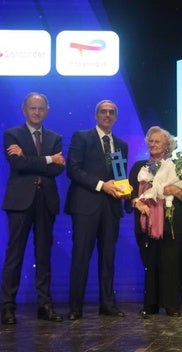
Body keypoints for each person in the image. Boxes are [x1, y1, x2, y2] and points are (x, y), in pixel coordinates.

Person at [1, 92, 66, 325]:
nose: (36, 112)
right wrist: (48, 160)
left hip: (45, 201)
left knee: (44, 255)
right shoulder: (12, 134)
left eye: (40, 108)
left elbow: (58, 170)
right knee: (14, 255)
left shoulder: (55, 137)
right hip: (20, 202)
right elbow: (17, 164)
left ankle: (45, 306)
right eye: (32, 108)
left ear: (46, 111)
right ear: (24, 110)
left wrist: (30, 159)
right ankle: (7, 307)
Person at [64, 99, 129, 320]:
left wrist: (125, 190)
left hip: (111, 209)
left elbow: (120, 177)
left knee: (108, 258)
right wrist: (102, 185)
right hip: (85, 207)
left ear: (116, 117)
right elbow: (73, 169)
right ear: (96, 115)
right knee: (81, 257)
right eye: (103, 112)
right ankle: (75, 308)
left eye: (111, 112)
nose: (107, 115)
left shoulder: (120, 144)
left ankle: (107, 304)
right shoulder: (81, 137)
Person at [129, 126, 182, 318]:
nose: (153, 144)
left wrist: (177, 191)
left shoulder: (178, 166)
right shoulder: (139, 167)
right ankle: (151, 304)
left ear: (167, 145)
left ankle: (171, 304)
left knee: (170, 263)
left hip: (171, 223)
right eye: (151, 141)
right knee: (150, 263)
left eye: (158, 141)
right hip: (146, 222)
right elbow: (130, 193)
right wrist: (136, 204)